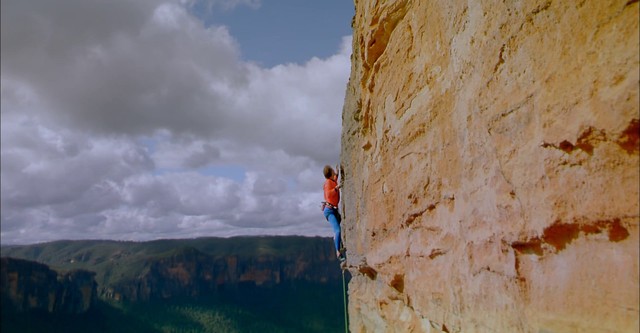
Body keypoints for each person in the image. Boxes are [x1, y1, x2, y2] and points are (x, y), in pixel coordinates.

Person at [322, 164, 344, 261]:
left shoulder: (331, 180)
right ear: (330, 173)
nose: (334, 173)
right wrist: (337, 188)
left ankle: (338, 240)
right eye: (333, 171)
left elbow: (334, 180)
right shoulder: (328, 183)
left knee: (339, 229)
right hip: (329, 211)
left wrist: (338, 172)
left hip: (333, 210)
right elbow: (328, 194)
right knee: (337, 230)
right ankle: (338, 252)